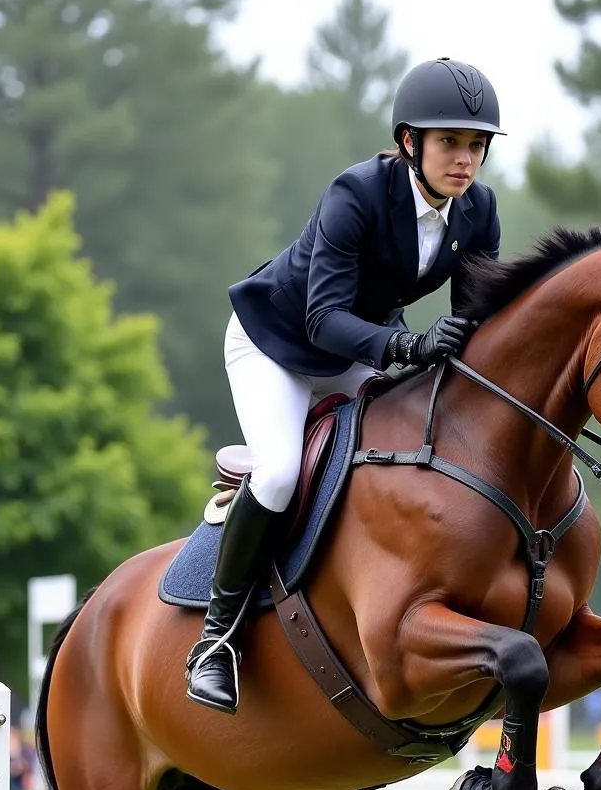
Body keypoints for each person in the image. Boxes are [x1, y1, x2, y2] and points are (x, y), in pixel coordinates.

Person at [186, 57, 506, 715]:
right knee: (277, 474)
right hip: (276, 342)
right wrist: (408, 346)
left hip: (360, 348)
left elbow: (475, 318)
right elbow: (323, 318)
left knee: (409, 454)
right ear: (411, 142)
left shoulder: (478, 212)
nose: (465, 160)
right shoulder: (356, 193)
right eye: (451, 143)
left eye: (476, 145)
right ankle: (216, 642)